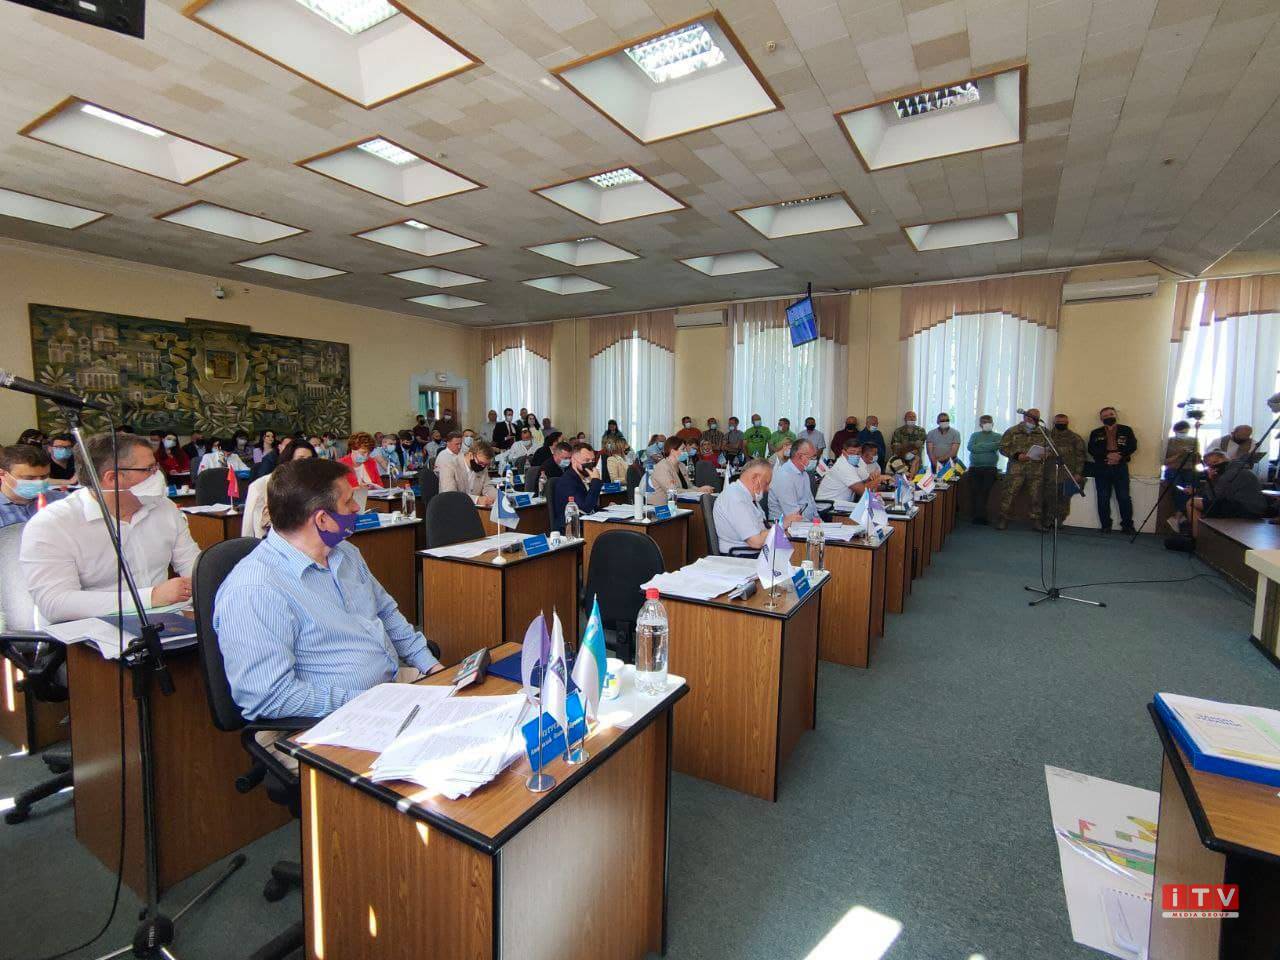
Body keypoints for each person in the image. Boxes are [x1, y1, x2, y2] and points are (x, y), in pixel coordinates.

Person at [214, 458, 444, 722]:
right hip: (326, 718)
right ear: (322, 519)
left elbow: (387, 613)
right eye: (348, 502)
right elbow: (271, 697)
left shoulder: (345, 553)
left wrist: (432, 667)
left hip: (389, 689)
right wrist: (370, 703)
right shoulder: (255, 589)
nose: (357, 507)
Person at [20, 432, 199, 621]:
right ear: (112, 478)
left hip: (167, 620)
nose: (158, 474)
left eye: (156, 466)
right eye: (149, 469)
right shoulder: (53, 524)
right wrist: (151, 597)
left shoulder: (164, 507)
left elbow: (194, 566)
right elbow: (55, 603)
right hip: (91, 630)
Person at [714, 459, 792, 554]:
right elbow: (756, 542)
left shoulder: (747, 496)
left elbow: (763, 528)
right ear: (755, 478)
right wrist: (781, 526)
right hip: (745, 556)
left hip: (759, 552)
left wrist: (782, 531)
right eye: (766, 483)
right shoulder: (735, 497)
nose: (767, 489)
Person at [243, 440, 314, 537]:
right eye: (300, 459)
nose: (306, 463)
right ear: (289, 460)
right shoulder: (263, 484)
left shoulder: (315, 483)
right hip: (271, 538)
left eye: (309, 459)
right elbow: (248, 526)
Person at [1187, 449, 1267, 535]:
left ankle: (1198, 537)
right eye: (1209, 465)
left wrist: (1210, 479)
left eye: (1215, 462)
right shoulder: (1239, 469)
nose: (1212, 466)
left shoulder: (1229, 474)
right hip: (1254, 508)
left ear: (1224, 459)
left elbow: (1213, 499)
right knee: (1202, 503)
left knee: (1192, 502)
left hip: (1246, 509)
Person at [1087, 406, 1137, 534]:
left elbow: (1132, 446)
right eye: (1105, 416)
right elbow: (1091, 449)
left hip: (1121, 467)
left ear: (1115, 415)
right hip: (1102, 467)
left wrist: (1119, 456)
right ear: (1101, 418)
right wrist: (1107, 456)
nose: (1108, 417)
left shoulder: (1126, 430)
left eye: (1111, 414)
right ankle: (1105, 526)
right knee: (1103, 497)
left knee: (1124, 497)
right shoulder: (1095, 432)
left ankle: (1127, 526)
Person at [997, 409, 1046, 530]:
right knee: (1009, 494)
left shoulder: (1044, 432)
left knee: (1036, 496)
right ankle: (1003, 519)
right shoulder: (1013, 431)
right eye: (1029, 418)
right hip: (1016, 469)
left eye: (1034, 418)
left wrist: (1046, 454)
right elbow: (1002, 448)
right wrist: (1016, 455)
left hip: (1036, 470)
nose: (1031, 420)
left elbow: (1051, 448)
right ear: (1024, 417)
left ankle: (1037, 521)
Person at [0, 444, 66, 528]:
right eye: (29, 478)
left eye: (44, 476)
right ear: (2, 474)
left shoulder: (60, 500)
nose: (39, 482)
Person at [550, 440, 603, 530]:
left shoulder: (583, 478)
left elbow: (591, 506)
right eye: (587, 460)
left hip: (587, 524)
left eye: (593, 460)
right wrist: (595, 481)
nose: (591, 464)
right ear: (574, 460)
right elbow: (586, 508)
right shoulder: (567, 481)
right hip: (572, 528)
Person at [1047, 413, 1087, 526]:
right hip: (1049, 473)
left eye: (1063, 422)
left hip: (1068, 474)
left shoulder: (1075, 438)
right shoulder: (1047, 436)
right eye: (1058, 422)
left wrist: (1078, 473)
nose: (1061, 424)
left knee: (1064, 500)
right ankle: (1048, 520)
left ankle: (1059, 521)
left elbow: (1081, 457)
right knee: (1049, 498)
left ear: (1067, 423)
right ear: (1054, 423)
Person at [647, 437, 712, 506]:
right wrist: (698, 490)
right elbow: (673, 491)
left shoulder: (682, 465)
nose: (686, 452)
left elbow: (689, 486)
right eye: (683, 449)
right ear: (672, 451)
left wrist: (702, 489)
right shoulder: (662, 467)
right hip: (660, 507)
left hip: (677, 504)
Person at [768, 439, 821, 522]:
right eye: (811, 457)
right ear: (800, 456)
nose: (815, 461)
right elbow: (793, 514)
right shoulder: (784, 476)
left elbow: (811, 502)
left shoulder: (804, 474)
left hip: (806, 523)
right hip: (788, 526)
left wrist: (819, 522)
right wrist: (813, 526)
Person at [439, 437, 497, 506]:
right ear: (470, 455)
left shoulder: (483, 468)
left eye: (486, 465)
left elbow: (488, 487)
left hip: (474, 508)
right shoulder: (449, 465)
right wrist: (477, 500)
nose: (483, 466)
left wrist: (499, 497)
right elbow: (450, 494)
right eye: (480, 463)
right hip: (451, 507)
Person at [966, 414, 1002, 524]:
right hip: (974, 468)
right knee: (975, 491)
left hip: (990, 468)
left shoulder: (998, 436)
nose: (987, 424)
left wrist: (980, 446)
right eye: (984, 422)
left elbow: (998, 445)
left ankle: (982, 517)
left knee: (985, 492)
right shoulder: (974, 435)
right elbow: (970, 447)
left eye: (989, 422)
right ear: (980, 424)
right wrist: (989, 446)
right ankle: (976, 517)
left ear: (993, 423)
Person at [816, 435, 872, 502]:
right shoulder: (843, 466)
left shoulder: (856, 461)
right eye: (852, 452)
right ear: (843, 452)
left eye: (858, 453)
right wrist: (879, 479)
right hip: (829, 505)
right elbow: (863, 491)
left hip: (841, 503)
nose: (856, 455)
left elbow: (865, 480)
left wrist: (872, 477)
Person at [1163, 421, 1200, 514]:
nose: (1184, 434)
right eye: (1181, 432)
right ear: (1175, 431)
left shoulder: (1194, 441)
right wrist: (1179, 454)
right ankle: (1181, 513)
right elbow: (1164, 461)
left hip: (1189, 469)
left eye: (1186, 432)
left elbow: (1197, 461)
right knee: (1179, 489)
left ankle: (1180, 514)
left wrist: (1196, 455)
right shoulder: (1169, 441)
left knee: (1189, 489)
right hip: (1173, 469)